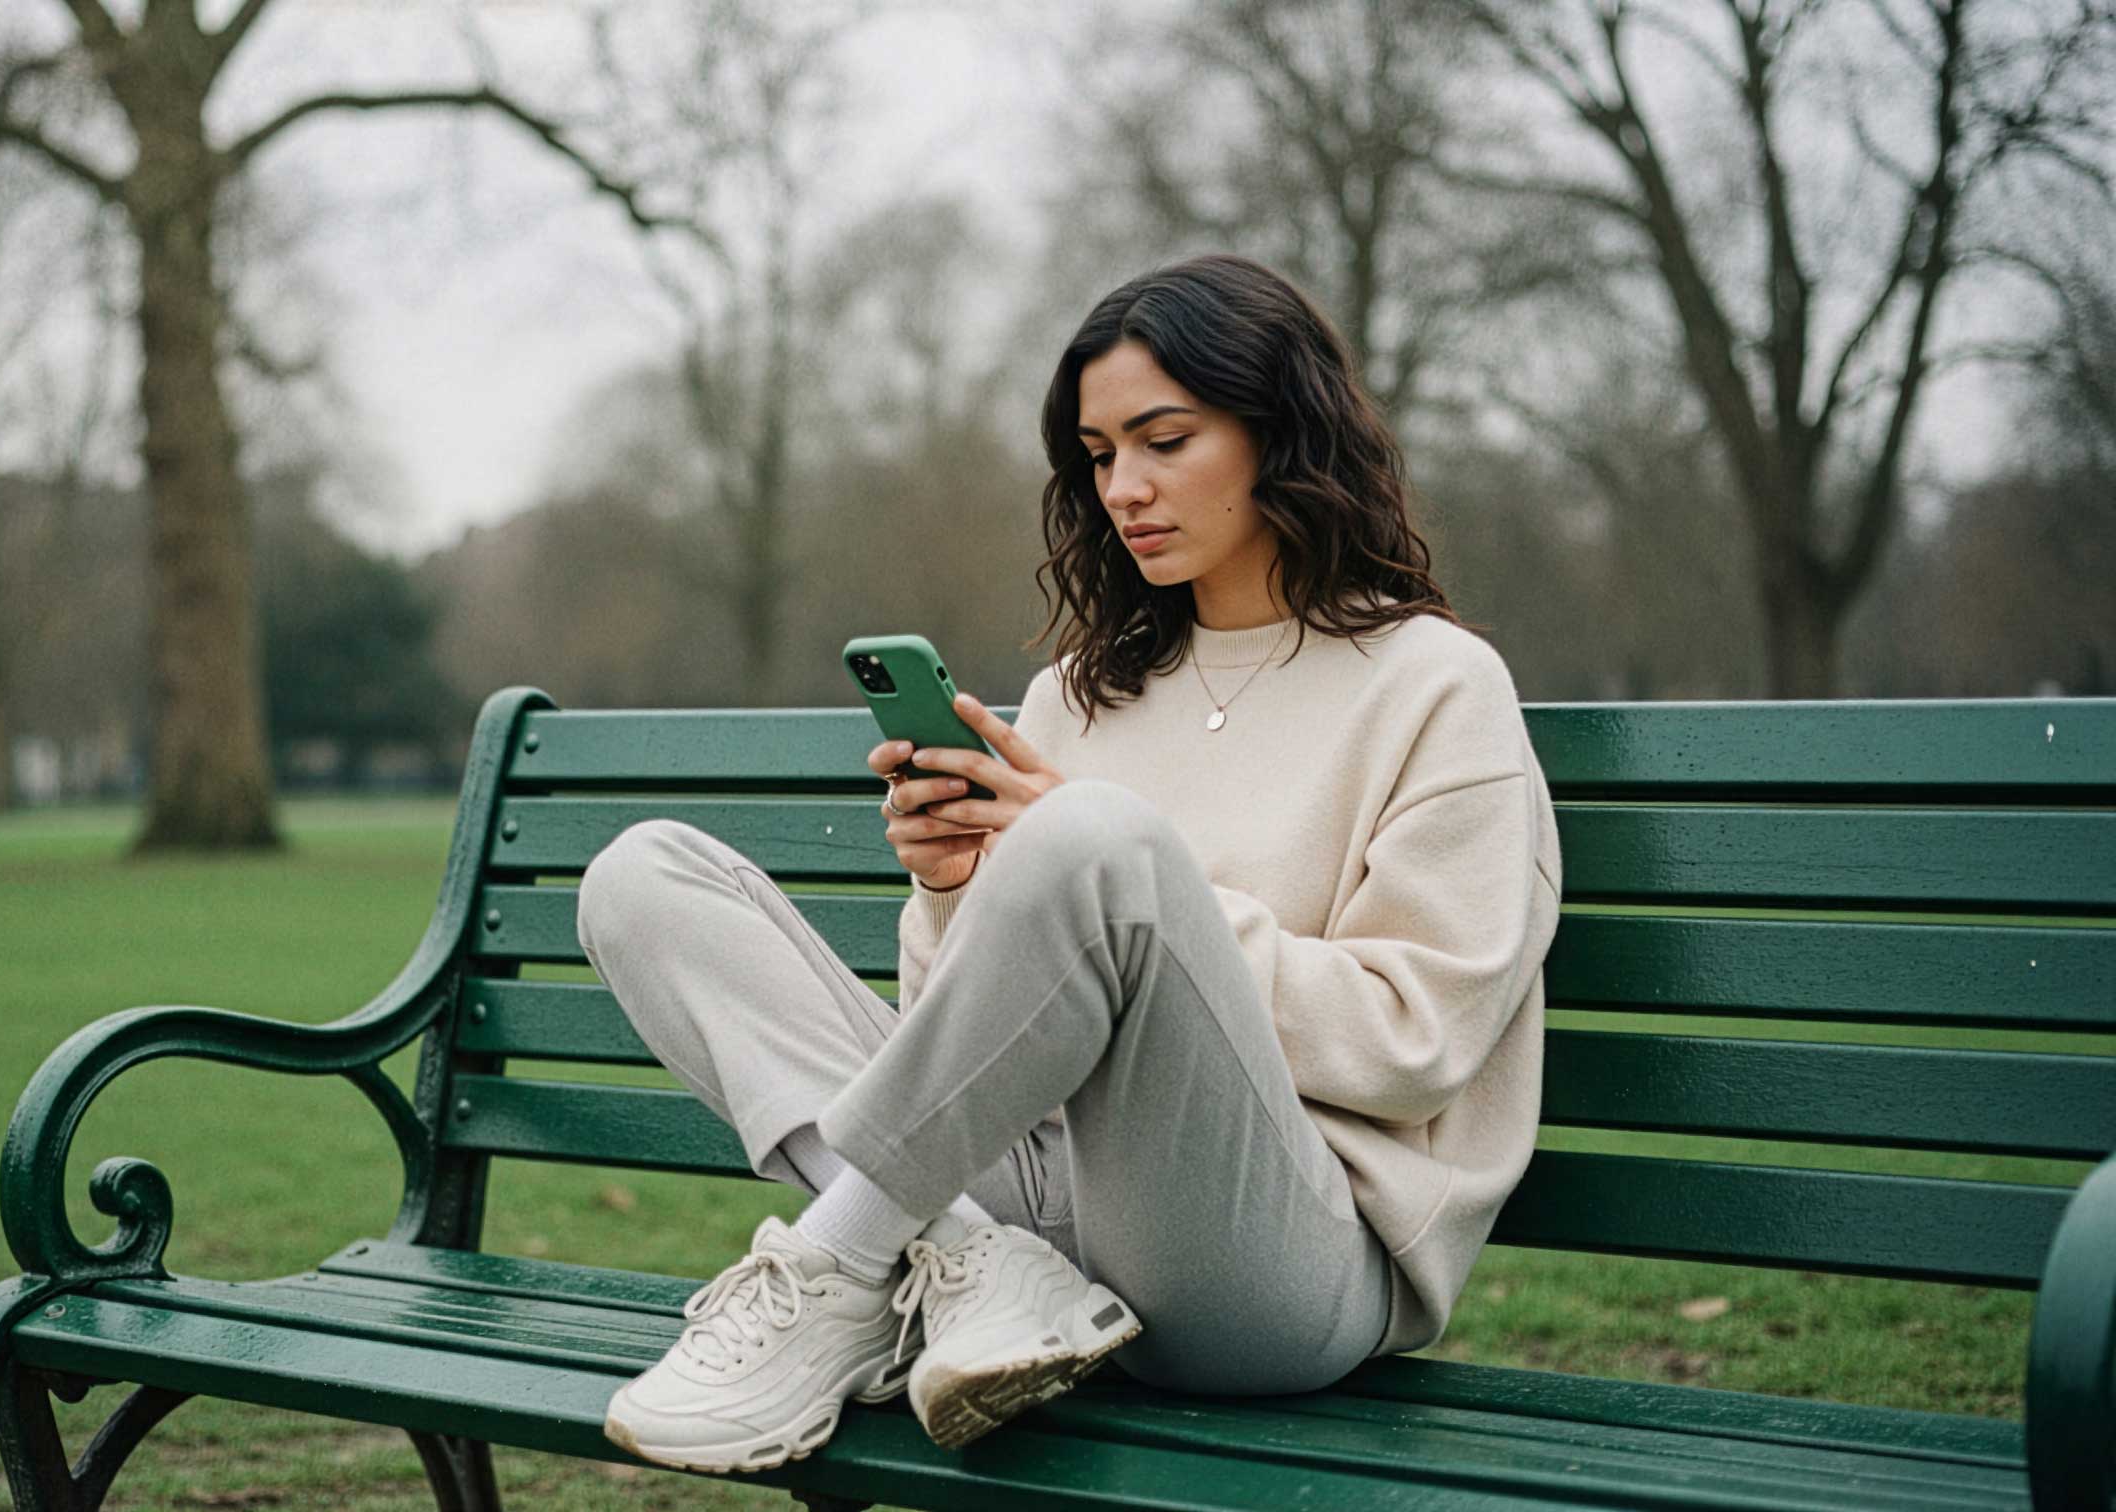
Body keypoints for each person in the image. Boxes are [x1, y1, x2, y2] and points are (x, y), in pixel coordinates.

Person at [575, 252, 1562, 1474]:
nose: (1125, 490)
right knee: (644, 876)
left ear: (1280, 436)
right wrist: (950, 888)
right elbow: (966, 1048)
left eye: (1164, 440)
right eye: (1099, 457)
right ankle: (969, 1263)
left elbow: (1413, 1046)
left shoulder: (1434, 686)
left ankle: (834, 1265)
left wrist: (1134, 889)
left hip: (1282, 1267)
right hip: (1031, 1219)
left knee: (1098, 839)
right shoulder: (1081, 695)